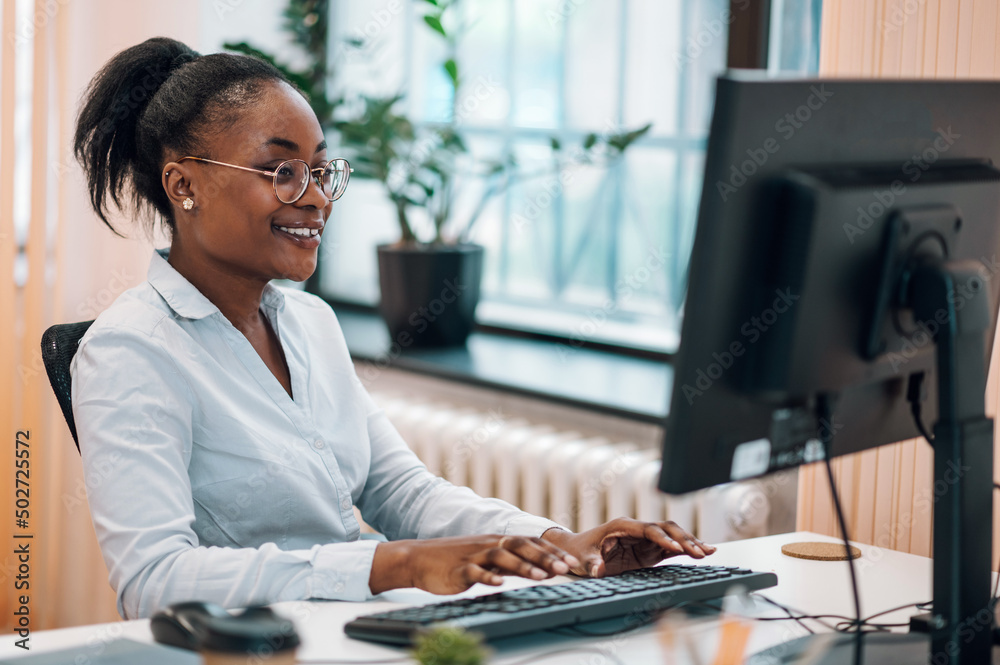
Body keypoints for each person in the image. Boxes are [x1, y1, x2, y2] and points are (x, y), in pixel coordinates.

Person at [70, 37, 715, 621]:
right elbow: (151, 582)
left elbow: (400, 491)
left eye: (321, 171)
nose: (318, 197)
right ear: (184, 185)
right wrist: (392, 565)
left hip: (358, 631)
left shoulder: (310, 324)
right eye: (281, 171)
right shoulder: (131, 352)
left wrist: (556, 543)